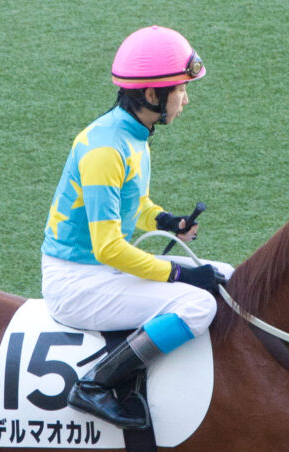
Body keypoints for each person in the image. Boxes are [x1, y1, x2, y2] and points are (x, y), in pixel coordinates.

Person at [40, 25, 233, 430]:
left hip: (99, 271)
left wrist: (165, 221)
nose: (186, 98)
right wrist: (180, 273)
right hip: (76, 283)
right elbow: (109, 247)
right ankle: (95, 384)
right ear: (151, 94)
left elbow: (133, 205)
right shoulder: (106, 149)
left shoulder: (131, 133)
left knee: (227, 274)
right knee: (198, 305)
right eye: (181, 89)